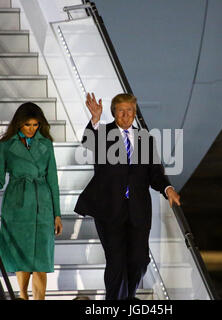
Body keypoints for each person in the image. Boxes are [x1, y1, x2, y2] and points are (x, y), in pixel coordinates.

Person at [74, 92, 181, 300]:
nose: (126, 115)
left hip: (138, 210)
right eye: (121, 111)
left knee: (140, 261)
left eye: (130, 110)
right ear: (114, 113)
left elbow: (155, 173)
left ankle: (127, 298)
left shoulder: (145, 139)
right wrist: (95, 119)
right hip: (109, 209)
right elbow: (88, 142)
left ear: (135, 112)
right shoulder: (104, 134)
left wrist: (167, 189)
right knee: (116, 263)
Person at [0, 102, 63, 300]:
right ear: (19, 123)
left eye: (35, 125)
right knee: (22, 255)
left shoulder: (46, 144)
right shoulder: (5, 145)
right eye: (28, 125)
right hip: (17, 204)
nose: (32, 129)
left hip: (42, 204)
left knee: (41, 260)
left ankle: (39, 298)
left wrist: (57, 214)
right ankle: (22, 295)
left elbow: (53, 180)